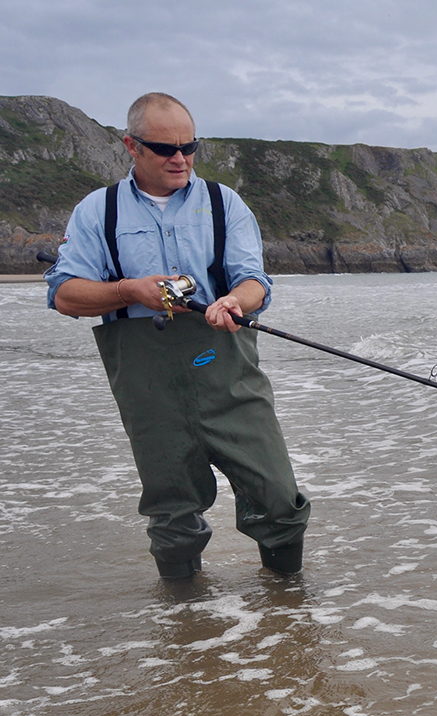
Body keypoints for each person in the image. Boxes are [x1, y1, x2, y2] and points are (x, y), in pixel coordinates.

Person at [46, 92, 309, 580]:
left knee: (279, 499)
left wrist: (237, 301)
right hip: (147, 384)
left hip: (228, 371)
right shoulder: (96, 211)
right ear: (131, 146)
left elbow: (255, 281)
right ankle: (185, 630)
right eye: (166, 149)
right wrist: (130, 290)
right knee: (172, 517)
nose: (181, 159)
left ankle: (289, 613)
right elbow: (66, 296)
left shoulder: (222, 202)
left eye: (190, 147)